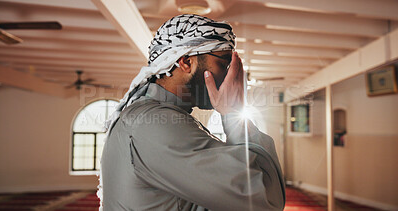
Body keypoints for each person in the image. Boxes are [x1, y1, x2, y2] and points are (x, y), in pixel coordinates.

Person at [98, 14, 285, 211]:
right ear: (186, 62)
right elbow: (264, 198)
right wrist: (233, 113)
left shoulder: (154, 115)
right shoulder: (154, 124)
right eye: (224, 64)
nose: (232, 75)